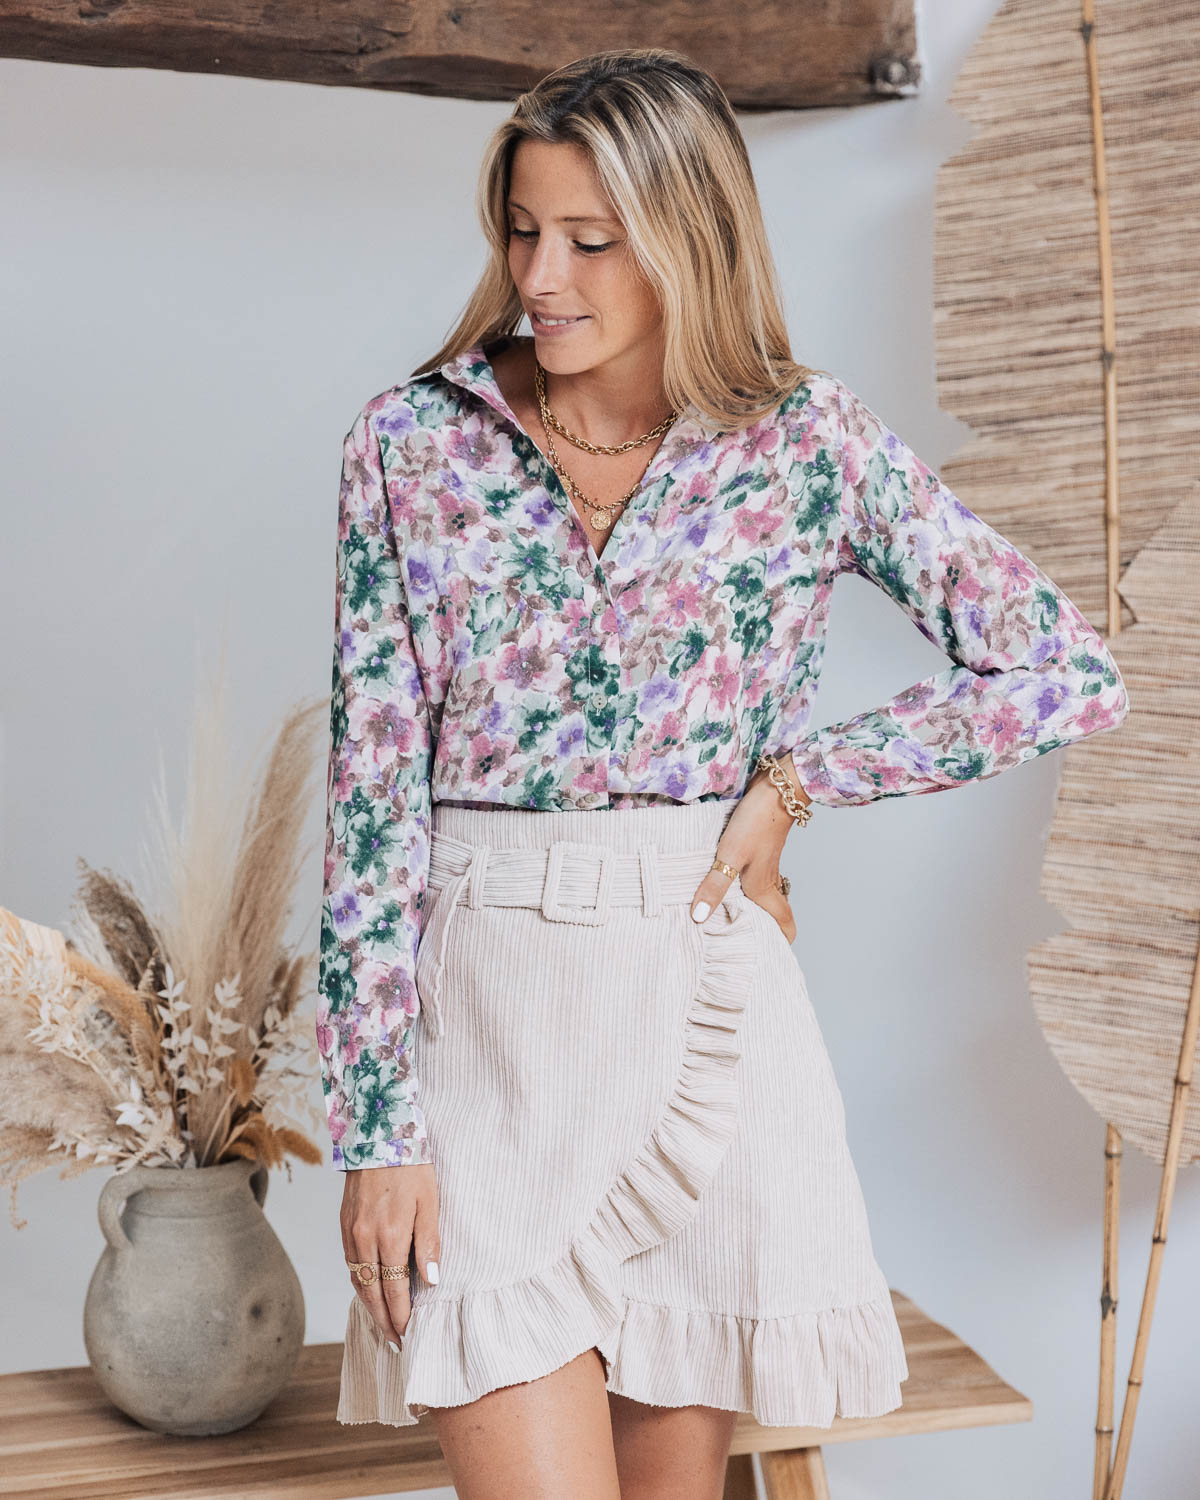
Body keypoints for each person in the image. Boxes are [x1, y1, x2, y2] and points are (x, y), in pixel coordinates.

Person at [316, 45, 1131, 1500]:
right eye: (522, 229)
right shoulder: (413, 446)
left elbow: (1061, 667)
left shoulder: (806, 445)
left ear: (688, 239)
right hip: (484, 1030)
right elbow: (371, 810)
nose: (540, 276)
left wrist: (798, 783)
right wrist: (378, 1132)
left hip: (700, 1010)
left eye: (591, 240)